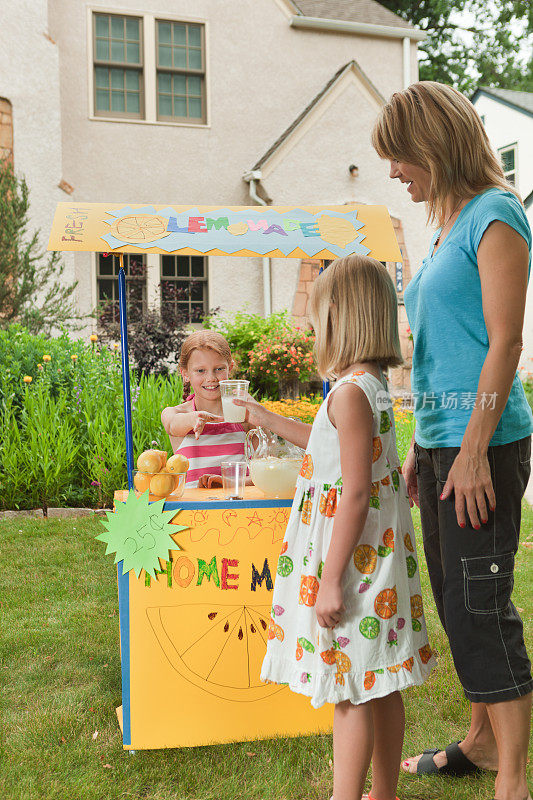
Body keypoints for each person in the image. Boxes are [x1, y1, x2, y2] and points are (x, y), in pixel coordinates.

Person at [372, 81, 533, 800]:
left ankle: (512, 777)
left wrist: (470, 449)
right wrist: (421, 443)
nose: (392, 172)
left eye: (398, 158)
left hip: (485, 445)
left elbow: (503, 344)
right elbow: (442, 348)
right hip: (442, 441)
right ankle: (476, 741)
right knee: (453, 599)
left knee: (479, 603)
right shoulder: (445, 226)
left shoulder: (495, 216)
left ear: (430, 145)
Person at [235, 256, 435, 800]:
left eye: (321, 316)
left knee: (348, 689)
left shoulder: (347, 393)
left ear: (341, 319)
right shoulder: (367, 387)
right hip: (377, 561)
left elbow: (353, 492)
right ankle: (384, 792)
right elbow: (329, 452)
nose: (315, 328)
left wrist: (328, 579)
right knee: (381, 681)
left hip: (351, 564)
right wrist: (266, 417)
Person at [161, 330, 251, 488]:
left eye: (219, 369)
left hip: (239, 509)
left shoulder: (245, 415)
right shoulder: (176, 414)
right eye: (200, 370)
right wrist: (193, 418)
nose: (211, 378)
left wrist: (226, 482)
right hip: (193, 510)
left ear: (230, 368)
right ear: (185, 374)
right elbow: (172, 425)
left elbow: (264, 473)